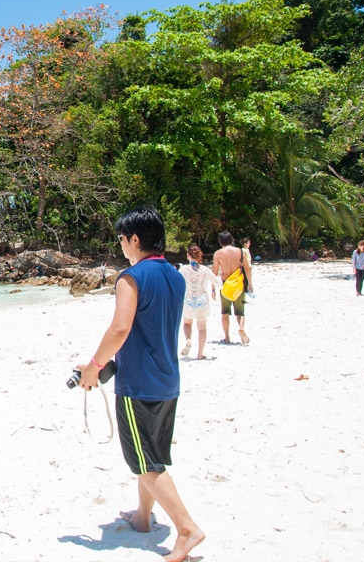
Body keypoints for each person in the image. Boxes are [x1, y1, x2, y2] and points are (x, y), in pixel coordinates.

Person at [77, 205, 204, 562]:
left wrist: (94, 367)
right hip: (167, 380)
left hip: (138, 386)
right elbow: (150, 328)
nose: (120, 244)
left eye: (121, 238)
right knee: (152, 455)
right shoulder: (175, 276)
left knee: (142, 460)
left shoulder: (130, 278)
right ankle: (143, 517)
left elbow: (120, 328)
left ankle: (187, 529)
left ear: (134, 239)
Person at [178, 246, 223, 360]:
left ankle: (188, 341)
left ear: (188, 255)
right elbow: (218, 283)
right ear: (199, 256)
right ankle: (200, 354)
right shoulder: (204, 270)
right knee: (202, 328)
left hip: (188, 299)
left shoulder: (184, 269)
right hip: (202, 300)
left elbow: (176, 282)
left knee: (187, 323)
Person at [213, 231, 251, 345]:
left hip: (225, 285)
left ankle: (227, 337)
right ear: (232, 240)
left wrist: (213, 288)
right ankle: (241, 328)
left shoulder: (218, 254)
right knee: (240, 312)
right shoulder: (240, 252)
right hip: (238, 284)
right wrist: (250, 283)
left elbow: (214, 272)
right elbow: (247, 268)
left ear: (220, 242)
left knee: (225, 312)